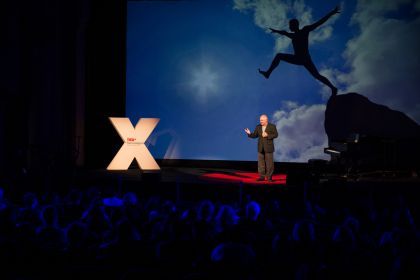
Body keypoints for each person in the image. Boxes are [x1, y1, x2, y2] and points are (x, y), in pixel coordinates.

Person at [258, 6, 340, 96]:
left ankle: (268, 73)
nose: (289, 27)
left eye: (290, 25)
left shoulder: (305, 30)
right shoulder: (293, 35)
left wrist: (332, 13)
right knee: (317, 75)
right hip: (302, 59)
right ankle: (333, 88)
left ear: (295, 25)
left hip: (302, 58)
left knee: (279, 56)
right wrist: (276, 31)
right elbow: (284, 32)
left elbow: (319, 23)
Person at [244, 114, 278, 182]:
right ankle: (262, 177)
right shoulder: (258, 127)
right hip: (260, 148)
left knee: (269, 164)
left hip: (268, 148)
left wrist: (268, 135)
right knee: (261, 164)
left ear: (266, 120)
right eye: (260, 120)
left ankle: (269, 177)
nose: (260, 121)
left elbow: (276, 135)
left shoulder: (272, 126)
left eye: (262, 120)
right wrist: (249, 133)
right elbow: (255, 135)